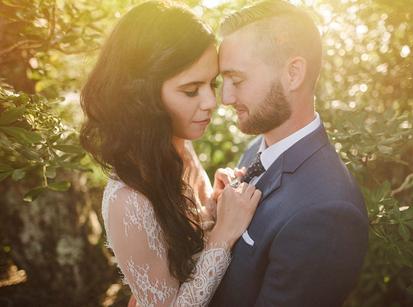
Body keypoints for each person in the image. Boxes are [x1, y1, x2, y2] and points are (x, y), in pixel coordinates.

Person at [79, 1, 261, 306]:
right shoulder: (128, 201)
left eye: (211, 84)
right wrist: (224, 235)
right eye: (191, 90)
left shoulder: (179, 148)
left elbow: (190, 242)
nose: (211, 102)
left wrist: (215, 208)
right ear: (143, 96)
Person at [210, 1, 369, 306]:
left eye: (237, 80)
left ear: (293, 73)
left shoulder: (328, 212)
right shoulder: (255, 150)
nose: (225, 98)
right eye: (223, 81)